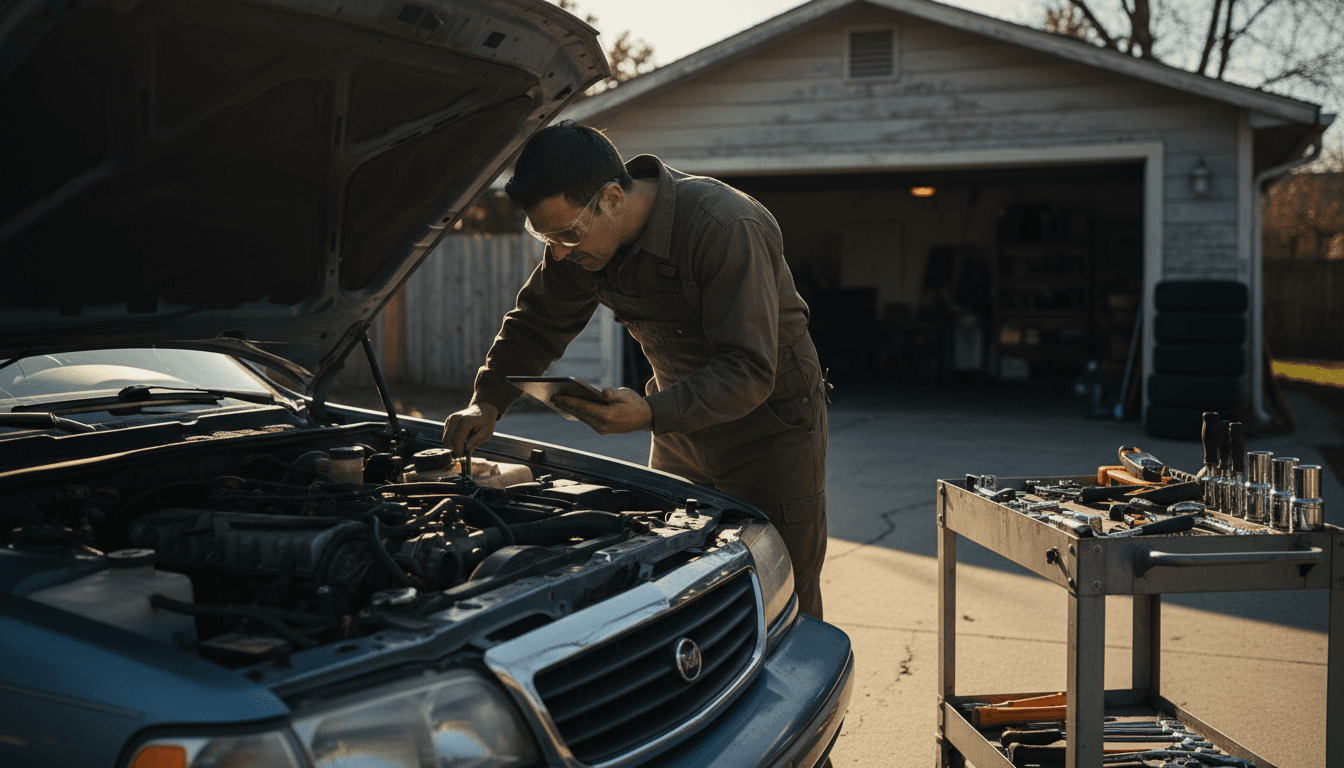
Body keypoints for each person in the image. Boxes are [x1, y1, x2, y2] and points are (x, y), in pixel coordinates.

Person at [441, 121, 830, 619]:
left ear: (611, 199)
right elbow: (536, 324)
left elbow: (750, 370)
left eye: (566, 234)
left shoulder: (726, 227)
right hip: (675, 422)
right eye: (544, 235)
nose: (558, 251)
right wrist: (486, 400)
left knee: (780, 592)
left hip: (769, 426)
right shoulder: (576, 241)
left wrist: (649, 413)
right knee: (675, 574)